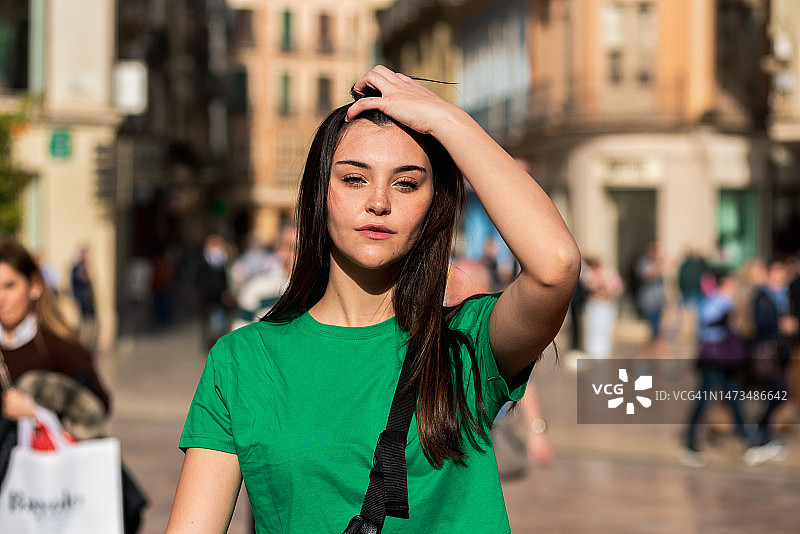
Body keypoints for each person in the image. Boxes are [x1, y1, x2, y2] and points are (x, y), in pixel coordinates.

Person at [167, 66, 580, 533]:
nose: (379, 202)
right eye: (354, 179)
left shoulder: (467, 345)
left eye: (406, 183)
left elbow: (556, 266)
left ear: (433, 205)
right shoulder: (243, 361)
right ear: (320, 195)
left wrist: (447, 120)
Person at [0, 238, 147, 532]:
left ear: (34, 286)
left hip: (53, 489)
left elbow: (98, 406)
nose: (0, 298)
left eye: (9, 286)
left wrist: (38, 409)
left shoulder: (60, 346)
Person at [680, 270, 751, 468]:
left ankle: (745, 434)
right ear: (725, 282)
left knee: (733, 395)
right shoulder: (717, 301)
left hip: (723, 359)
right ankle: (690, 439)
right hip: (714, 359)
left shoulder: (723, 301)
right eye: (733, 282)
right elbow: (708, 324)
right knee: (705, 398)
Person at [581, 257, 624, 359]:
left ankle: (603, 352)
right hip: (595, 304)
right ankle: (593, 352)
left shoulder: (609, 274)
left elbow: (616, 288)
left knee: (605, 329)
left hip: (606, 305)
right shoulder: (589, 274)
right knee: (593, 328)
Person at [70, 244, 97, 350]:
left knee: (90, 324)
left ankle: (86, 345)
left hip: (88, 300)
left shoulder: (84, 266)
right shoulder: (78, 267)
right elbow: (84, 279)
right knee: (83, 324)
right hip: (82, 300)